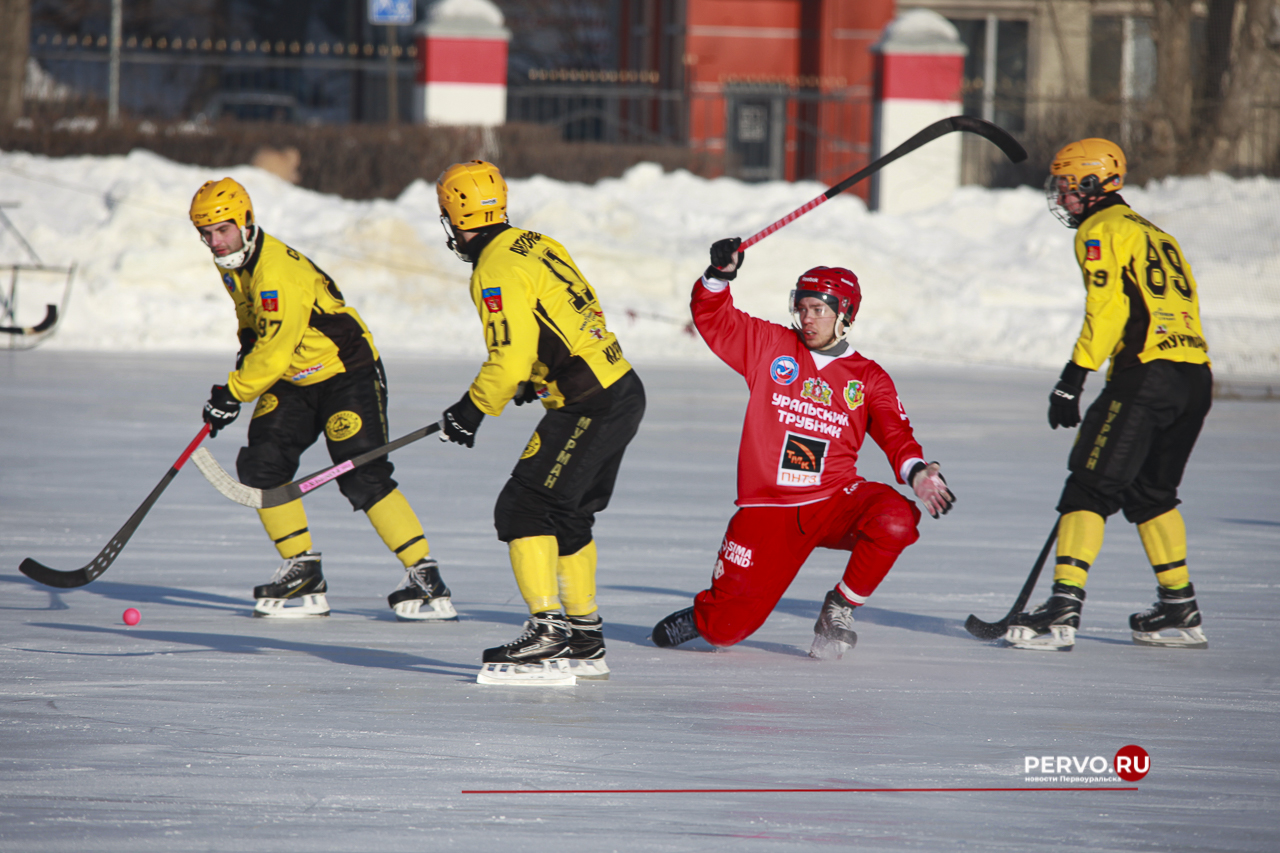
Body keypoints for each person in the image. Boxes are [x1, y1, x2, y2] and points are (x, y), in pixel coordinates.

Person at [651, 239, 955, 659]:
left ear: (844, 315)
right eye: (802, 307)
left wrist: (916, 470)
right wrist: (718, 277)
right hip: (769, 509)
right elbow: (714, 318)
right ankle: (709, 614)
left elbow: (894, 430)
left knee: (897, 519)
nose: (807, 318)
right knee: (724, 633)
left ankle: (840, 606)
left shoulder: (868, 377)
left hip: (834, 500)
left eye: (819, 310)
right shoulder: (771, 345)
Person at [190, 177, 454, 621]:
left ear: (247, 221)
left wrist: (232, 393)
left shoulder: (276, 273)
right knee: (262, 464)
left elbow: (273, 353)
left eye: (224, 229)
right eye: (207, 233)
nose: (217, 242)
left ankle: (424, 575)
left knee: (360, 470)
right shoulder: (234, 262)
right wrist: (243, 351)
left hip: (344, 372)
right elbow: (252, 322)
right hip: (294, 378)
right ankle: (303, 571)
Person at [435, 160, 645, 683]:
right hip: (618, 385)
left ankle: (548, 632)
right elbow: (573, 314)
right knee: (569, 514)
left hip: (588, 401)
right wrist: (539, 374)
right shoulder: (536, 242)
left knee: (524, 506)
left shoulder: (492, 269)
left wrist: (472, 408)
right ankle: (585, 637)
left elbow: (506, 358)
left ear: (454, 219)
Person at [1003, 138, 1213, 651]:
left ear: (1092, 185)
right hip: (1195, 377)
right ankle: (1178, 609)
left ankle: (1061, 612)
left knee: (1089, 489)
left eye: (1068, 187)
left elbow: (1109, 310)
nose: (1063, 198)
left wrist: (1072, 377)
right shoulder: (1155, 232)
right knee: (1150, 493)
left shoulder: (1101, 230)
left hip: (1146, 376)